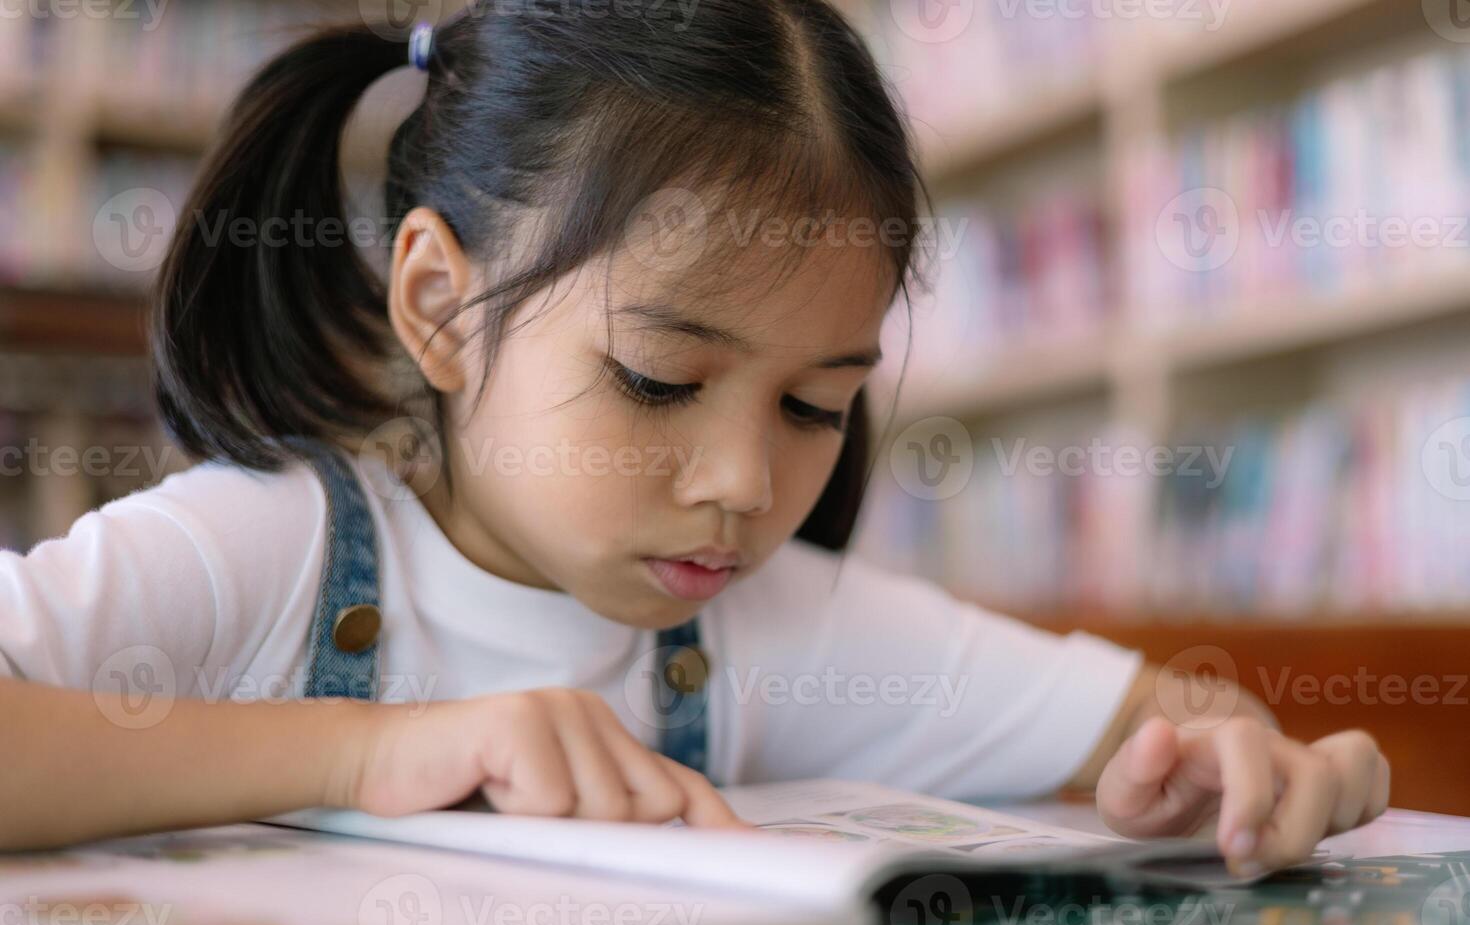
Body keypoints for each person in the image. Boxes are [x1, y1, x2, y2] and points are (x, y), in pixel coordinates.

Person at [0, 0, 1387, 877]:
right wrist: (360, 754)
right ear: (439, 303)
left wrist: (1253, 767)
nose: (743, 486)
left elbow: (1161, 724)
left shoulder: (773, 633)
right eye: (660, 380)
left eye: (812, 406)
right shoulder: (270, 550)